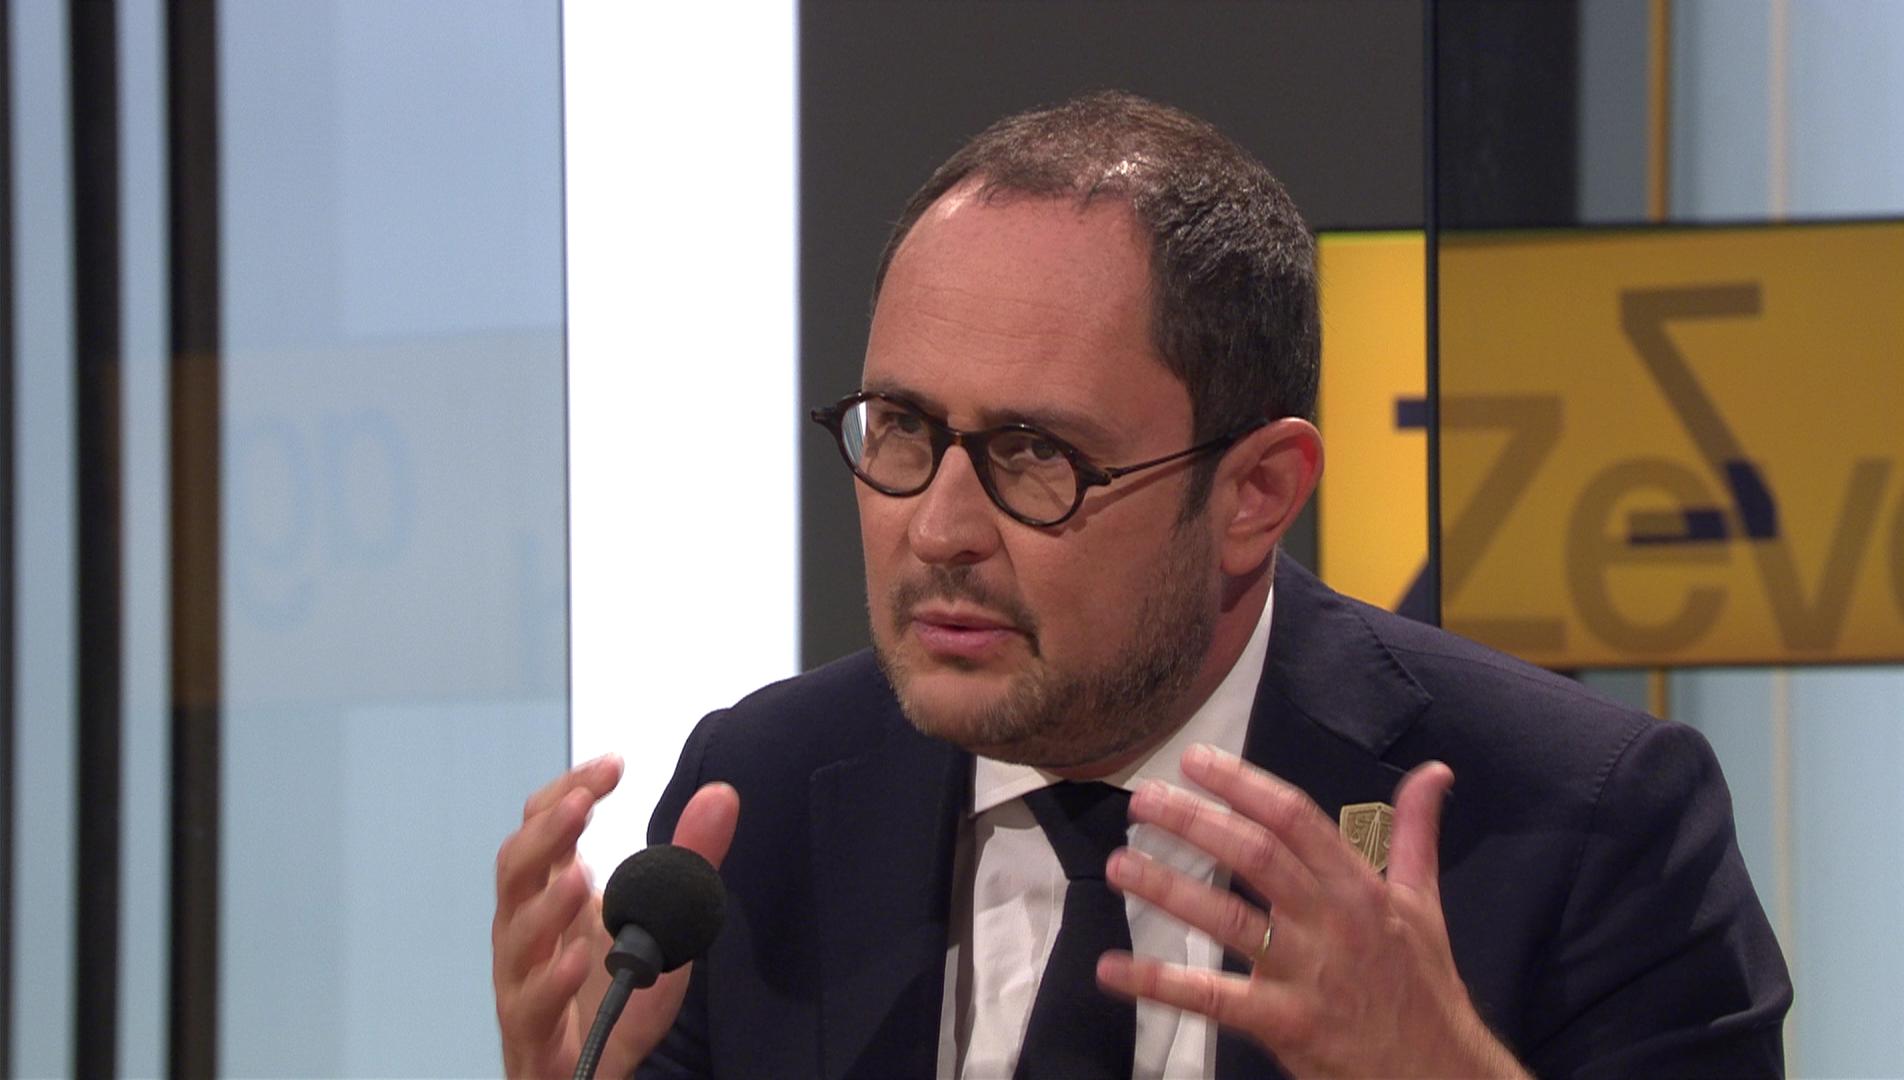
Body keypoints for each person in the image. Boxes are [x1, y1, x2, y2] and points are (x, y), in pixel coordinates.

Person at [493, 91, 1790, 1078]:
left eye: (1034, 455)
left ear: (1257, 492)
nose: (938, 528)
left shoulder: (1579, 822)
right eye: (901, 429)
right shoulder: (763, 799)